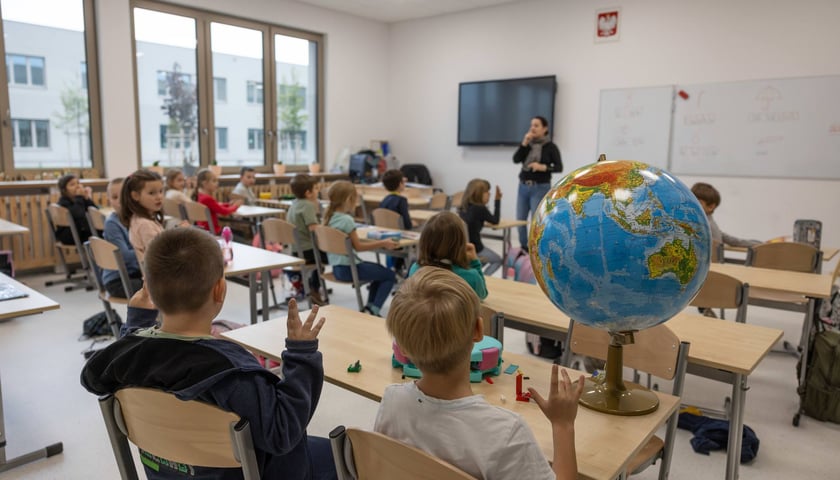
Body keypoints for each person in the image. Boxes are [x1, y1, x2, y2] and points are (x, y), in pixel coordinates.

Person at [80, 228, 336, 480]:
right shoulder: (231, 374)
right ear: (220, 290)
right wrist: (301, 355)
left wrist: (137, 322)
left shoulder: (124, 361)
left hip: (170, 473)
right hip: (249, 473)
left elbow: (136, 348)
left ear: (151, 292)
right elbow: (283, 431)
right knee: (344, 455)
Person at [375, 268, 583, 480]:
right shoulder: (507, 433)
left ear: (402, 347)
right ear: (478, 330)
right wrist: (562, 425)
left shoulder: (392, 401)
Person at [323, 180, 399, 316]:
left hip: (337, 268)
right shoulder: (346, 220)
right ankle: (374, 310)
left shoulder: (328, 218)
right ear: (348, 199)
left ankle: (370, 307)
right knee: (389, 275)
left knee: (379, 272)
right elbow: (358, 247)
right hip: (349, 269)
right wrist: (383, 243)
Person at [408, 211, 487, 299]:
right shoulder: (471, 277)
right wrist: (475, 262)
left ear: (424, 241)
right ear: (460, 243)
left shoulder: (415, 269)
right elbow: (483, 294)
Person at [513, 116, 562, 251]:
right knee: (520, 220)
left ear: (545, 128)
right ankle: (524, 248)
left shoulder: (551, 147)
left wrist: (544, 167)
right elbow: (516, 159)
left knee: (537, 222)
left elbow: (559, 167)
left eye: (536, 125)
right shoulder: (527, 145)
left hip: (540, 187)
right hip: (523, 186)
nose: (532, 128)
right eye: (531, 125)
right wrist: (524, 143)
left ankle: (536, 250)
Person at [287, 174, 327, 306]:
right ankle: (314, 288)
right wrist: (326, 227)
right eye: (316, 188)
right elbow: (313, 228)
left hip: (295, 250)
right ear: (308, 193)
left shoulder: (294, 205)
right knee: (328, 256)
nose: (318, 191)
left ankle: (308, 285)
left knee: (320, 257)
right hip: (308, 251)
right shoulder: (308, 206)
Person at [101, 177, 143, 298]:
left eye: (123, 196)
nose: (120, 201)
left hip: (134, 274)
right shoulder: (112, 223)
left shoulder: (137, 218)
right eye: (114, 197)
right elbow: (124, 257)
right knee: (163, 287)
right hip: (118, 281)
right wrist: (147, 251)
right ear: (109, 201)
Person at [691, 182, 760, 248]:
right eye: (691, 201)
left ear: (711, 207)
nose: (693, 205)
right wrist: (756, 243)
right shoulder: (706, 223)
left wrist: (758, 244)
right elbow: (733, 240)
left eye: (698, 203)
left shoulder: (704, 225)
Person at [120, 169, 165, 265]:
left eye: (161, 191)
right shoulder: (145, 225)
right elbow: (162, 255)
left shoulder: (140, 219)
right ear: (135, 196)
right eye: (152, 193)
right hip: (160, 277)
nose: (159, 197)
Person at [459, 178, 502, 276]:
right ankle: (484, 279)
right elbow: (495, 220)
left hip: (462, 248)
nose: (489, 194)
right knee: (497, 260)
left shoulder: (462, 208)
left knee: (482, 262)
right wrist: (497, 200)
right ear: (478, 194)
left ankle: (474, 275)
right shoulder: (480, 209)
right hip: (476, 249)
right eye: (487, 192)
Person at [378, 169, 413, 275]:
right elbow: (407, 224)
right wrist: (413, 223)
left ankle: (393, 268)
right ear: (400, 184)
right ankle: (404, 270)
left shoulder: (384, 200)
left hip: (385, 237)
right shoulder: (401, 200)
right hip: (399, 239)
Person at [193, 168, 242, 235]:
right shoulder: (207, 199)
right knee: (240, 235)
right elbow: (224, 212)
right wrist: (236, 206)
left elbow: (216, 206)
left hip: (205, 231)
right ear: (204, 184)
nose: (217, 183)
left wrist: (228, 204)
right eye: (214, 181)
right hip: (213, 232)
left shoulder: (200, 196)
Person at [55, 173, 98, 245]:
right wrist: (79, 197)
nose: (77, 186)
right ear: (64, 190)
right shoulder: (63, 202)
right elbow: (79, 214)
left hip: (80, 233)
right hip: (69, 236)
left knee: (106, 232)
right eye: (72, 184)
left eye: (78, 183)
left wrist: (87, 199)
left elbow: (95, 212)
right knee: (102, 235)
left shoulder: (80, 199)